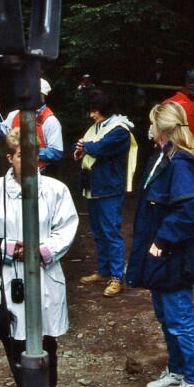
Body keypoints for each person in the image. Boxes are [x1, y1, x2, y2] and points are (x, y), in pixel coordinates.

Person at [0, 128, 78, 387]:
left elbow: (66, 227)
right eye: (22, 155)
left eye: (35, 155)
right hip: (8, 275)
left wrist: (41, 250)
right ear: (10, 158)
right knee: (13, 337)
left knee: (46, 337)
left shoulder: (56, 190)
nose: (30, 161)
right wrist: (10, 249)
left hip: (44, 273)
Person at [126, 102, 194, 387]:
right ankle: (176, 370)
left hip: (173, 256)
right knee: (165, 317)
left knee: (180, 318)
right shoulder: (163, 156)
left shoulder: (181, 163)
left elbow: (190, 208)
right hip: (159, 257)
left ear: (162, 128)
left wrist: (162, 240)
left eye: (152, 124)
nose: (149, 129)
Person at [74, 90, 138, 297]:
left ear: (105, 110)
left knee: (111, 232)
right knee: (99, 233)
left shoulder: (120, 130)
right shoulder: (97, 127)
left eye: (95, 111)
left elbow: (100, 148)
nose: (92, 115)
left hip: (109, 188)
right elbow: (88, 146)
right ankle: (103, 271)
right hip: (93, 187)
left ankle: (118, 277)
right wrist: (81, 148)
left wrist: (85, 146)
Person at [0, 78, 63, 176]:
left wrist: (29, 151)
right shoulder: (14, 115)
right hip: (16, 173)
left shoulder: (50, 121)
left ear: (42, 96)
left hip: (42, 174)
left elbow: (56, 153)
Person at [163, 73, 194, 146]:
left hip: (164, 148)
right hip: (182, 150)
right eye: (192, 83)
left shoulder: (166, 102)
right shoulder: (190, 107)